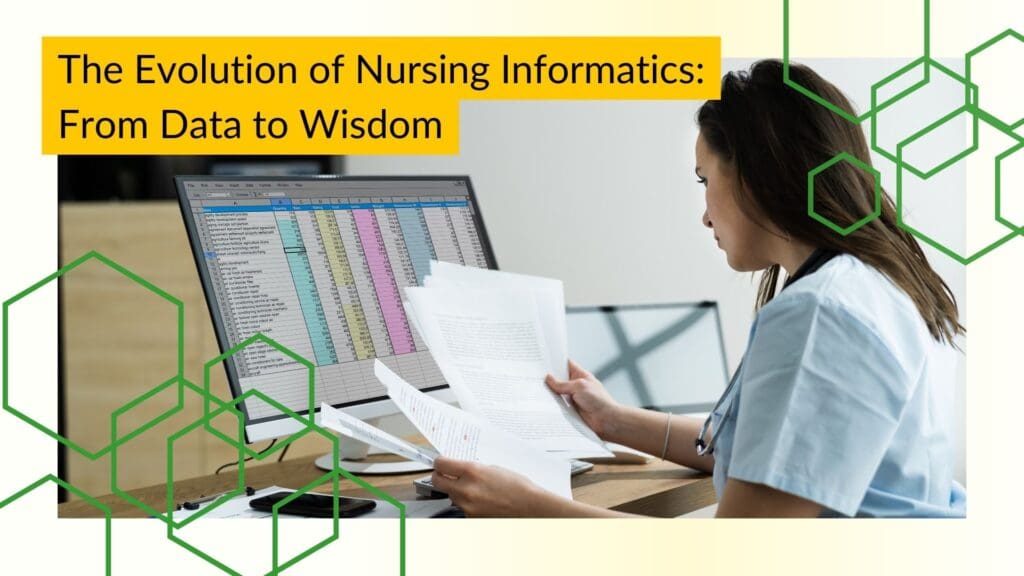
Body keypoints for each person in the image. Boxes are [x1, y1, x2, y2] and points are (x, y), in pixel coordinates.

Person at [429, 59, 967, 518]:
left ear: (756, 173)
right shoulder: (872, 282)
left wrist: (529, 506)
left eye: (705, 181)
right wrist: (612, 420)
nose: (705, 214)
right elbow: (783, 460)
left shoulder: (821, 314)